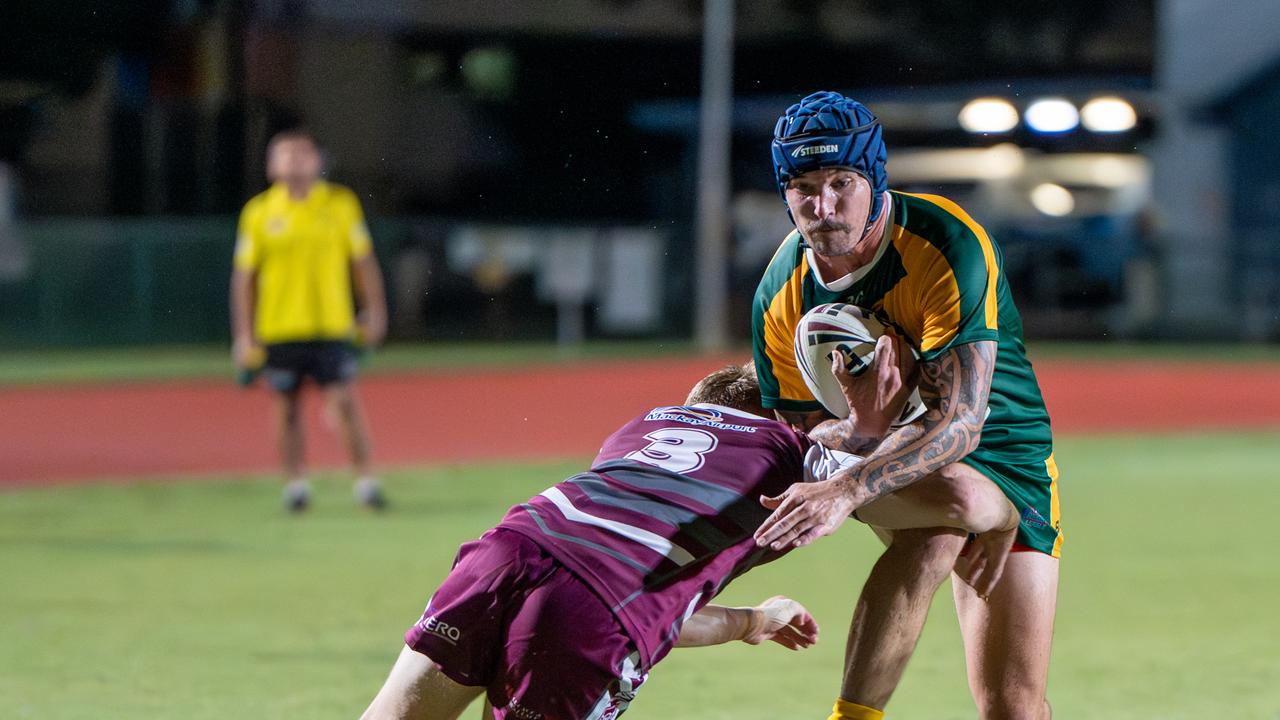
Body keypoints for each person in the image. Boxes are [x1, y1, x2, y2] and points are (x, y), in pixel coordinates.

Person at [361, 363, 1018, 720]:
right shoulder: (789, 446)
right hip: (595, 606)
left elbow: (649, 595)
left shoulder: (635, 432)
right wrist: (1002, 516)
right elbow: (965, 501)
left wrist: (751, 621)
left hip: (505, 552)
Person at [750, 91, 1062, 720]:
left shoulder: (944, 241)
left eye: (843, 181)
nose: (824, 205)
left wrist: (848, 488)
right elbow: (803, 433)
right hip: (899, 462)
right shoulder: (779, 290)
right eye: (804, 186)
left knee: (1014, 706)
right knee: (945, 511)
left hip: (1009, 456)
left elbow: (963, 423)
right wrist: (862, 432)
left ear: (876, 180)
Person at [230, 129, 388, 512]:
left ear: (319, 161)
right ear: (271, 166)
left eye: (303, 153)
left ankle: (366, 481)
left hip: (332, 325)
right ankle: (296, 484)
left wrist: (376, 311)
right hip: (281, 327)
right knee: (285, 405)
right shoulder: (259, 213)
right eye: (285, 154)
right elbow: (244, 278)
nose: (295, 161)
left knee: (344, 401)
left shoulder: (340, 204)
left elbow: (362, 263)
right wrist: (243, 335)